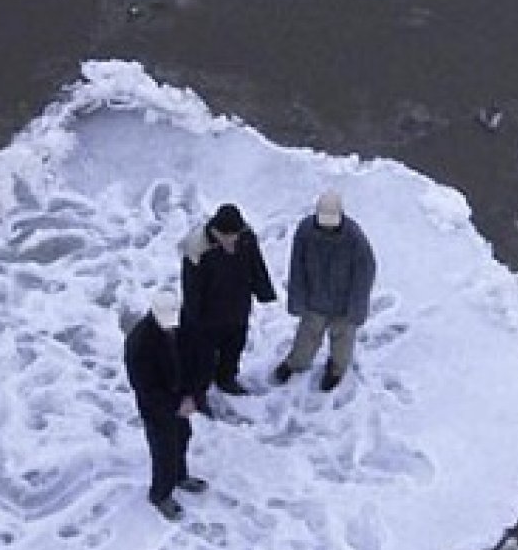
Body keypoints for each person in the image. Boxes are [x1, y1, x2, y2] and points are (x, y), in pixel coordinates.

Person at [273, 191, 376, 392]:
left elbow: (364, 274)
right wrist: (297, 299)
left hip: (343, 305)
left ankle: (336, 370)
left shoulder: (355, 238)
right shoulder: (305, 231)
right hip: (315, 299)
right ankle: (296, 363)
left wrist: (357, 308)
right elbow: (297, 266)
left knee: (342, 343)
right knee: (306, 338)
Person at [179, 202, 276, 401]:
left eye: (235, 235)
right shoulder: (197, 248)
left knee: (233, 349)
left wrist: (264, 291)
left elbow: (256, 265)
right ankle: (198, 392)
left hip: (238, 308)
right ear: (216, 231)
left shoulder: (246, 237)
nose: (232, 240)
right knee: (202, 358)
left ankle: (226, 379)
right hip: (208, 316)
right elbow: (191, 288)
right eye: (228, 236)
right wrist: (193, 318)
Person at [124, 292, 208, 521]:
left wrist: (193, 396)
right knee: (164, 449)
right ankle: (160, 494)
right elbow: (145, 387)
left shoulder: (186, 324)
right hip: (157, 407)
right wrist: (176, 405)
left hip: (182, 397)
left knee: (182, 436)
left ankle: (180, 476)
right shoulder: (139, 342)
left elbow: (199, 360)